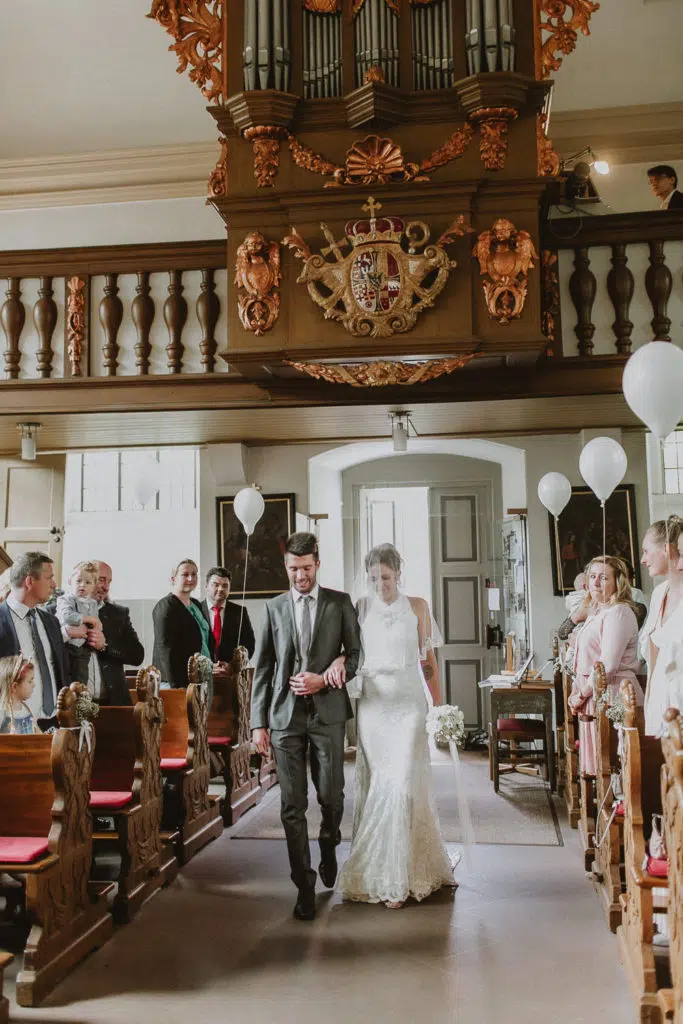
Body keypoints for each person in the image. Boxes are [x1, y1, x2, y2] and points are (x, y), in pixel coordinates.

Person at [250, 532, 361, 922]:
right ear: (286, 566)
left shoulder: (339, 603)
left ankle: (329, 844)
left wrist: (331, 672)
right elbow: (263, 667)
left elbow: (356, 654)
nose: (300, 576)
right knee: (291, 806)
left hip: (328, 714)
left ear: (318, 563)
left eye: (307, 568)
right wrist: (258, 723)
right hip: (284, 718)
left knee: (332, 796)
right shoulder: (273, 608)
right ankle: (304, 885)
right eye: (294, 569)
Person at [337, 543, 454, 909]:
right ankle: (377, 871)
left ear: (398, 574)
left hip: (408, 704)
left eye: (386, 577)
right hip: (374, 706)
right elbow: (350, 653)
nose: (380, 585)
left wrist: (438, 706)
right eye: (374, 578)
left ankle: (400, 875)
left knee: (403, 781)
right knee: (380, 783)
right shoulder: (360, 607)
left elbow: (428, 661)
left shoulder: (417, 606)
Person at [568, 556, 641, 776]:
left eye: (603, 577)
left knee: (612, 768)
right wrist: (577, 690)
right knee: (598, 770)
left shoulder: (619, 612)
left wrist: (581, 694)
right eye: (592, 576)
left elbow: (607, 666)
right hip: (594, 695)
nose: (596, 582)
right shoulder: (598, 611)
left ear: (618, 582)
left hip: (612, 695)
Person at [0, 552, 69, 730]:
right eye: (49, 578)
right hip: (12, 726)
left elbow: (61, 669)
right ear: (30, 581)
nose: (54, 584)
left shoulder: (51, 621)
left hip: (54, 722)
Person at [639, 516, 683, 736]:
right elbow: (653, 657)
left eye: (646, 551)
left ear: (666, 549)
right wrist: (649, 705)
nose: (643, 559)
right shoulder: (658, 594)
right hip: (658, 698)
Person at [152, 559, 215, 690]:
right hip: (176, 682)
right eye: (185, 574)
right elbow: (165, 649)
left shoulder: (196, 604)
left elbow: (204, 639)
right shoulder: (166, 606)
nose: (191, 578)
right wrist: (177, 687)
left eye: (194, 574)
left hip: (201, 677)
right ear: (173, 579)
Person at [89, 561, 144, 706]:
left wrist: (105, 646)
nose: (106, 587)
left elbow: (137, 655)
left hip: (113, 702)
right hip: (74, 704)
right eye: (102, 580)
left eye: (109, 582)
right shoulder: (58, 612)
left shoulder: (118, 613)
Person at [56, 561, 102, 685]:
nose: (82, 585)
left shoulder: (93, 603)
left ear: (94, 586)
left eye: (88, 582)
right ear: (70, 581)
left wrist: (98, 629)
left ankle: (81, 695)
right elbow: (66, 616)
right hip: (67, 646)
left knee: (81, 679)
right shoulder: (65, 599)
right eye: (78, 581)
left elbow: (96, 622)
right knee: (66, 679)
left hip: (84, 648)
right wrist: (87, 619)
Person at [200, 565, 255, 661]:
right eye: (216, 585)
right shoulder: (196, 610)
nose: (221, 589)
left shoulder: (240, 612)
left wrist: (233, 665)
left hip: (230, 669)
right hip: (202, 668)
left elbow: (249, 645)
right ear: (206, 586)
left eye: (225, 586)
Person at [0, 655, 37, 734]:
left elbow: (37, 734)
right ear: (14, 687)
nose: (34, 685)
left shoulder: (27, 710)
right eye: (30, 681)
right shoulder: (2, 713)